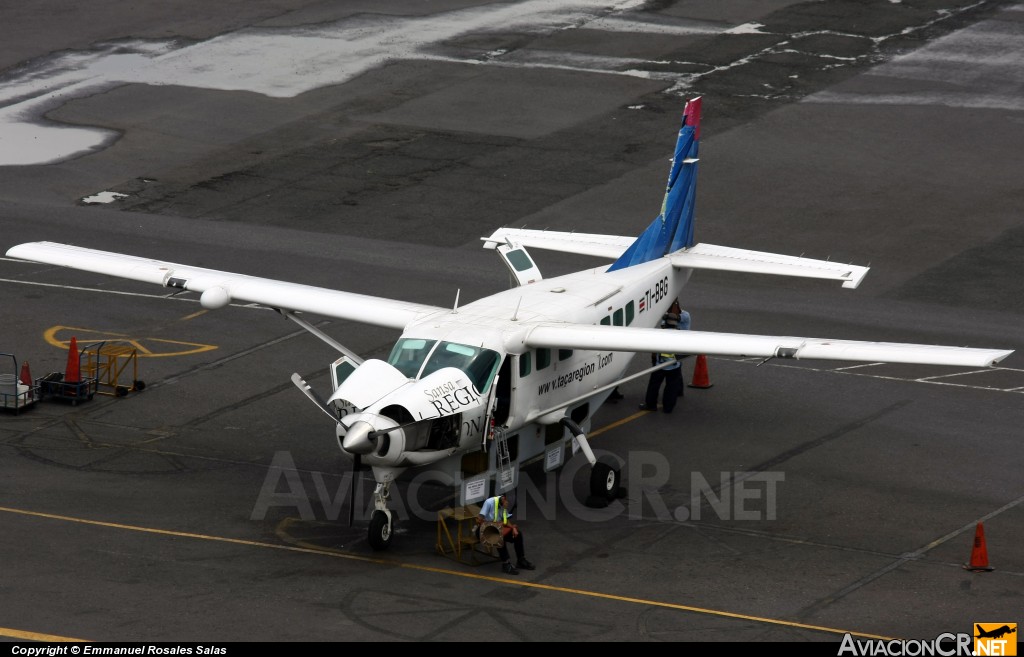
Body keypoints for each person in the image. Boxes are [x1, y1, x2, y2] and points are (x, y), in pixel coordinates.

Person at [640, 300, 691, 413]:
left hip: (660, 364)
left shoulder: (663, 332)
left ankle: (651, 404)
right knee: (671, 387)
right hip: (675, 364)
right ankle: (668, 408)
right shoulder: (682, 328)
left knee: (654, 385)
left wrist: (654, 356)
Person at [477, 493, 535, 575]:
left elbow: (505, 521)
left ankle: (521, 560)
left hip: (498, 528)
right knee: (499, 537)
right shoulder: (489, 502)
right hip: (484, 530)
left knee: (518, 534)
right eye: (505, 501)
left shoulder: (503, 506)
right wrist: (494, 525)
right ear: (502, 499)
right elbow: (479, 520)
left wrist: (513, 528)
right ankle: (506, 563)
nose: (507, 503)